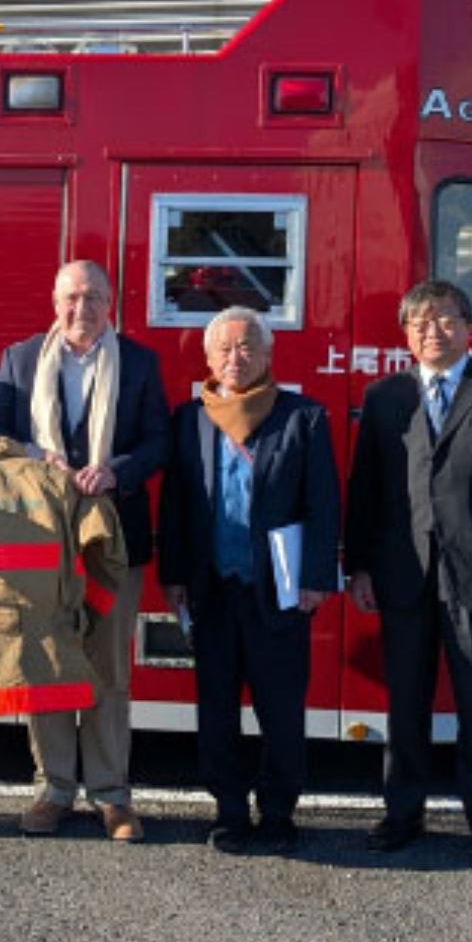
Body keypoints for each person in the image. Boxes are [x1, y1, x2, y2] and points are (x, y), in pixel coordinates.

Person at [344, 279, 472, 874]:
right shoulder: (385, 397)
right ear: (406, 334)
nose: (434, 332)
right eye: (421, 323)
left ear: (467, 327)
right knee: (404, 702)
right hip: (402, 573)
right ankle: (402, 816)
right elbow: (366, 490)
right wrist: (357, 566)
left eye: (446, 320)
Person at [0, 258, 169, 842]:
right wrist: (36, 458)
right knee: (48, 666)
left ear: (110, 303)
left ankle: (112, 794)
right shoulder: (19, 359)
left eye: (92, 297)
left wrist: (116, 471)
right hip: (41, 541)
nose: (80, 309)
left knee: (109, 668)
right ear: (54, 300)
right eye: (70, 297)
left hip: (116, 542)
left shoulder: (139, 362)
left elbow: (160, 441)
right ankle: (54, 788)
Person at [157, 307, 339, 855]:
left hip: (278, 592)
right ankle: (229, 811)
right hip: (212, 589)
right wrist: (174, 576)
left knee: (281, 711)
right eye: (224, 349)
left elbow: (323, 502)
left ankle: (279, 813)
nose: (235, 359)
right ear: (208, 359)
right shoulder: (189, 418)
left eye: (246, 348)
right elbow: (175, 504)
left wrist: (314, 578)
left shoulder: (302, 417)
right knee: (215, 710)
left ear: (267, 357)